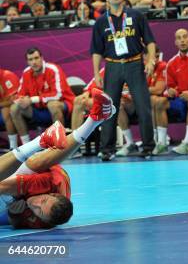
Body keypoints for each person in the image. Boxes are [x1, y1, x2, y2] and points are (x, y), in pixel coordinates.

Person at [0, 88, 113, 229]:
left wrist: (14, 216)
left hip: (12, 202)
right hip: (42, 176)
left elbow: (16, 221)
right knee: (34, 162)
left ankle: (96, 119)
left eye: (39, 210)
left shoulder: (44, 221)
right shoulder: (46, 183)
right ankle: (43, 140)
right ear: (50, 194)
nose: (35, 203)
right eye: (42, 200)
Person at [90, 0, 157, 161]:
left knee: (143, 106)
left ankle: (148, 147)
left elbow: (150, 41)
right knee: (110, 108)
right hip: (112, 66)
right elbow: (96, 51)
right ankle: (107, 149)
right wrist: (96, 73)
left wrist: (151, 59)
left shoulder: (136, 16)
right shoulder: (101, 22)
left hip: (134, 63)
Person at [153, 29, 188, 155]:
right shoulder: (172, 63)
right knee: (160, 102)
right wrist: (172, 91)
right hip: (179, 99)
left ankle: (187, 143)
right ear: (175, 42)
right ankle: (161, 143)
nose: (182, 40)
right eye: (179, 38)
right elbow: (169, 88)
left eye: (185, 37)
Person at [10, 47, 75, 145]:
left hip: (63, 107)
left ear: (42, 58)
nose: (34, 62)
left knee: (53, 105)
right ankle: (26, 146)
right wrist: (20, 100)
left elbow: (58, 94)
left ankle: (60, 144)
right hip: (39, 111)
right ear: (27, 61)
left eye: (36, 58)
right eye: (30, 60)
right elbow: (20, 94)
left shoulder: (53, 69)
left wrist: (31, 100)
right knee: (14, 108)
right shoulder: (26, 73)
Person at [0, 68, 20, 149]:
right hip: (3, 104)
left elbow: (15, 100)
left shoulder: (8, 76)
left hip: (17, 104)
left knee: (6, 110)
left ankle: (13, 147)